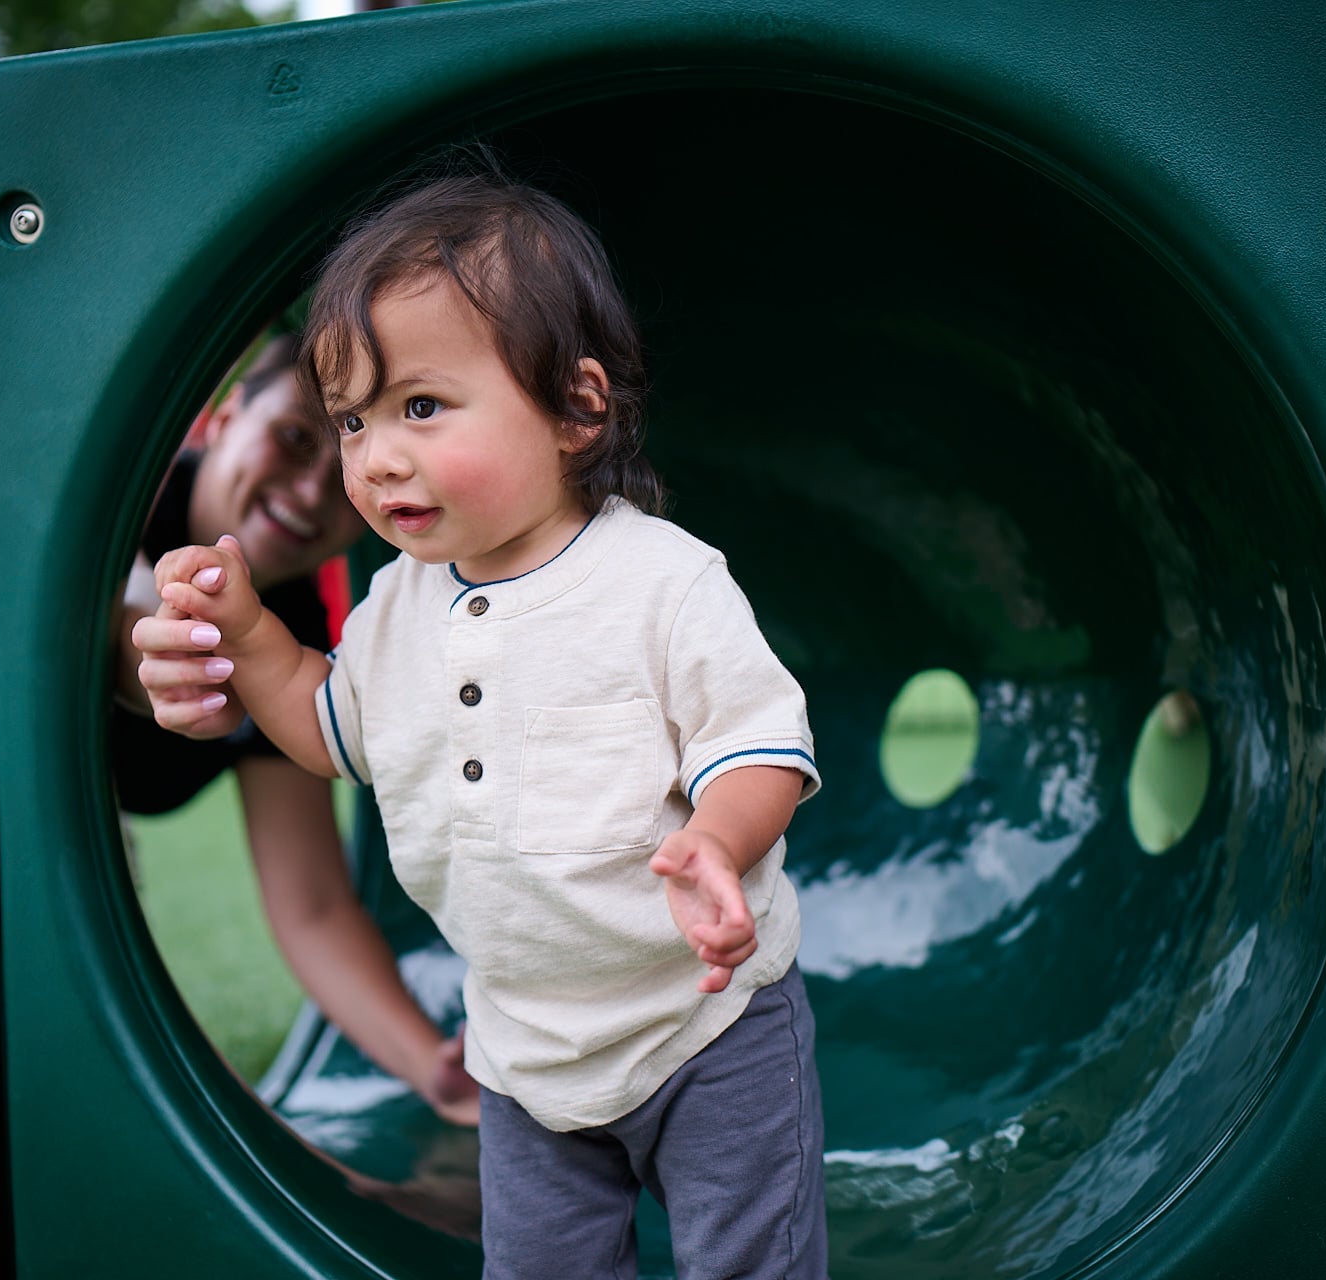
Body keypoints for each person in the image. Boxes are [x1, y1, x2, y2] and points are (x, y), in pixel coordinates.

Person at [135, 174, 828, 1279]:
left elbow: (760, 745)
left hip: (709, 1031)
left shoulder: (661, 581)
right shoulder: (394, 607)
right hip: (524, 1054)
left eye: (419, 406)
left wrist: (720, 839)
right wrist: (250, 634)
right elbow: (326, 726)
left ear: (575, 408)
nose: (375, 456)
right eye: (353, 419)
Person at [0, 333, 476, 1260]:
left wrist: (435, 1068)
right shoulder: (115, 493)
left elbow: (308, 905)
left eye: (335, 451)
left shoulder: (291, 629)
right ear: (228, 418)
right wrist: (152, 656)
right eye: (293, 437)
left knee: (93, 1141)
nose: (308, 488)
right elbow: (100, 626)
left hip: (30, 847)